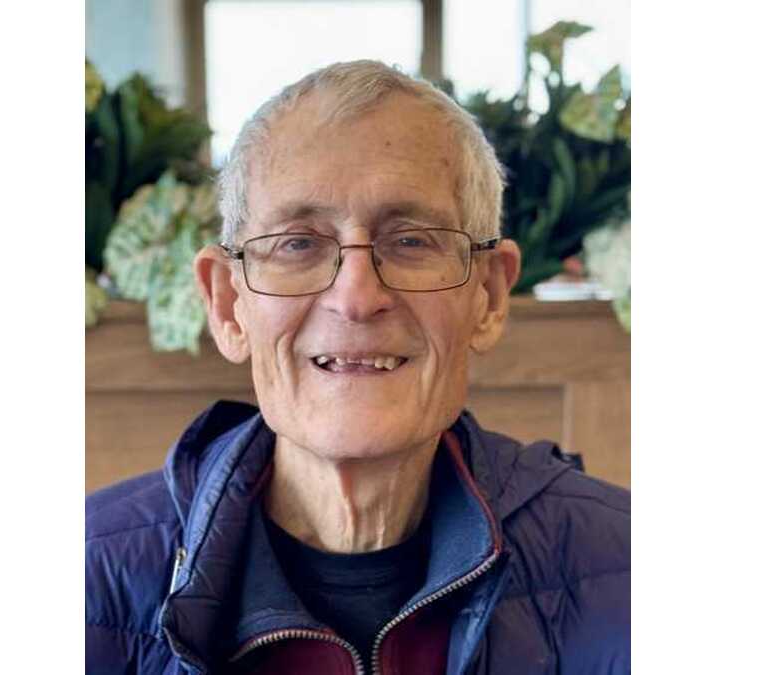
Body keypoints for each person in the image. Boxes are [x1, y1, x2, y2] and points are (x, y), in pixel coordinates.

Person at [86, 60, 629, 674]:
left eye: (412, 240)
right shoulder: (86, 581)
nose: (356, 297)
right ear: (227, 304)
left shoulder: (629, 568)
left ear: (489, 296)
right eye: (298, 243)